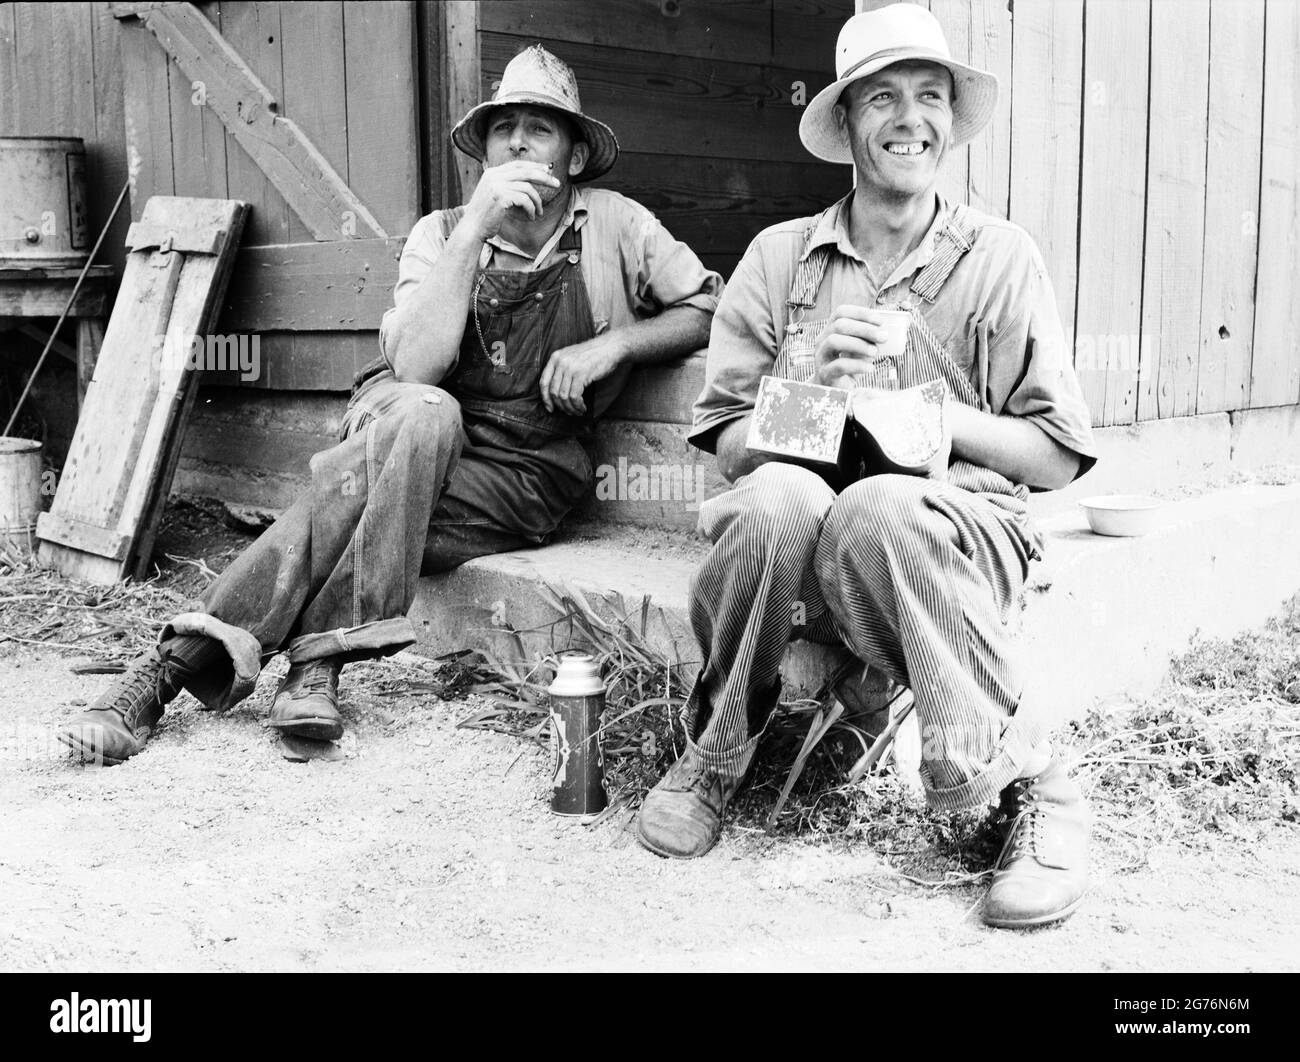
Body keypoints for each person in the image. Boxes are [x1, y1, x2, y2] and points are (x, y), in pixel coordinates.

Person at [58, 45, 721, 765]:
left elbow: (703, 305)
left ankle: (177, 668)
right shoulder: (441, 232)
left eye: (542, 128)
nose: (520, 143)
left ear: (575, 152)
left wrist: (615, 345)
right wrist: (476, 230)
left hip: (524, 469)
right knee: (426, 415)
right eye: (504, 129)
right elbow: (416, 367)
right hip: (407, 416)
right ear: (484, 149)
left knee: (348, 499)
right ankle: (310, 666)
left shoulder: (619, 226)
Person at [634, 3, 1099, 930]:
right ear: (844, 122)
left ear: (950, 120)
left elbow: (1054, 457)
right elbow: (726, 438)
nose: (908, 120)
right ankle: (719, 749)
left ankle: (1029, 784)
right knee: (775, 495)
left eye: (929, 97)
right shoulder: (780, 259)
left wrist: (936, 420)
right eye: (880, 98)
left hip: (951, 540)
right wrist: (812, 387)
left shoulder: (999, 260)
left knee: (883, 504)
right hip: (805, 549)